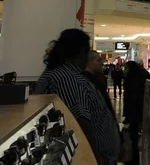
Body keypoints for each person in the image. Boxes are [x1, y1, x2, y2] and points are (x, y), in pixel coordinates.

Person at [36, 29, 120, 164]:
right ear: (81, 52)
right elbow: (79, 122)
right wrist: (94, 158)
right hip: (95, 157)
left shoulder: (65, 74)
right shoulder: (65, 78)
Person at [123, 61, 149, 165]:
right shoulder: (139, 77)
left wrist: (127, 116)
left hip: (134, 114)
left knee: (132, 139)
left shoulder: (132, 81)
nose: (125, 70)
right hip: (138, 114)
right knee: (134, 139)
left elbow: (131, 100)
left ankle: (131, 160)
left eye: (126, 68)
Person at [83, 50, 115, 120]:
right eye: (98, 60)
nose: (102, 63)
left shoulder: (95, 80)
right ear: (90, 63)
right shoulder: (88, 82)